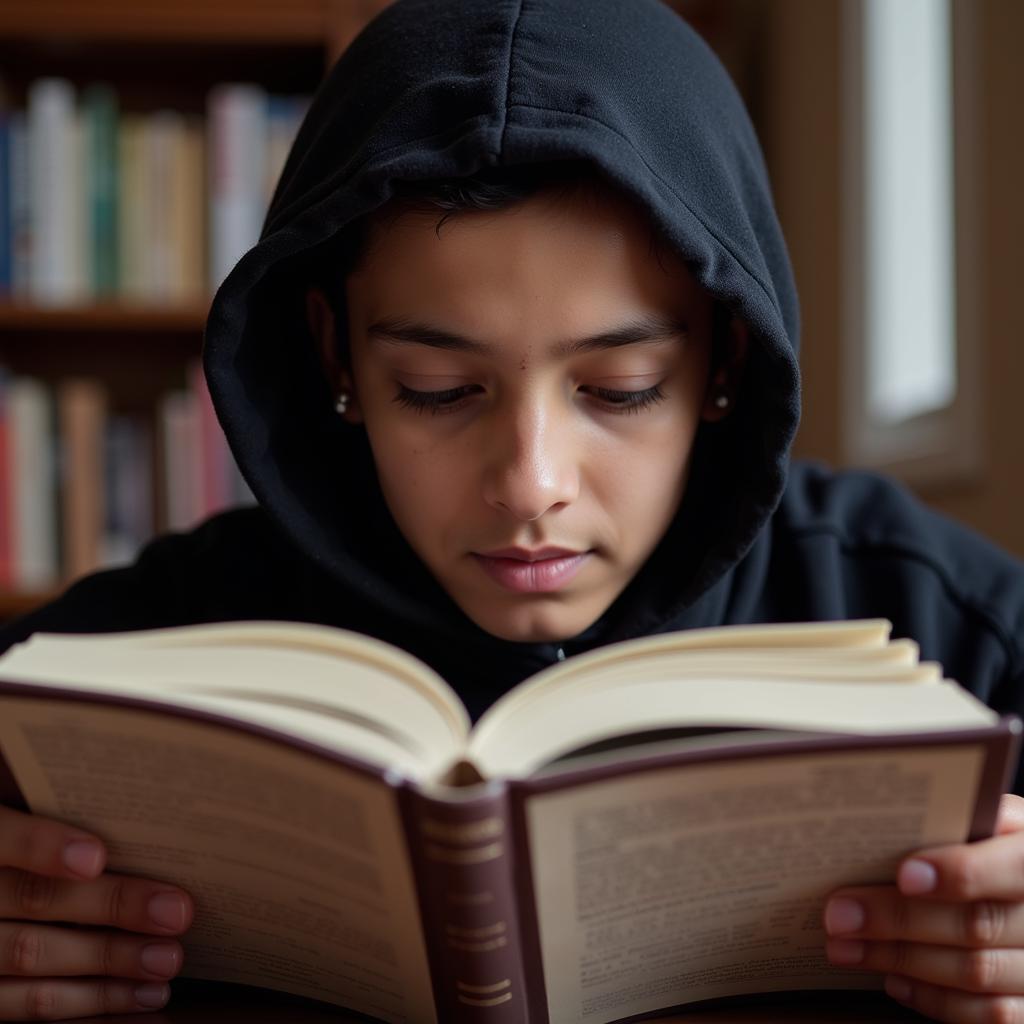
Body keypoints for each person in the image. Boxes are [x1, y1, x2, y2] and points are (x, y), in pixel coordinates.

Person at [1, 0, 1023, 1020]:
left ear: (725, 357)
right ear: (333, 357)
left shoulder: (959, 636)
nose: (532, 483)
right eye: (438, 390)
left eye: (620, 386)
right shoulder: (123, 665)